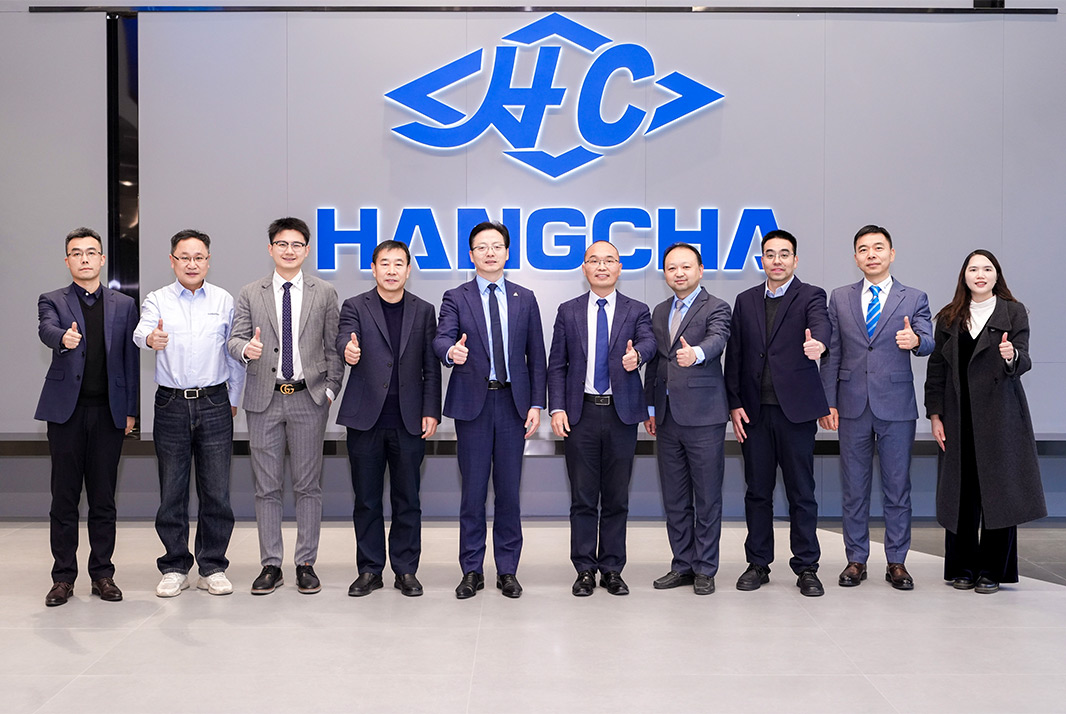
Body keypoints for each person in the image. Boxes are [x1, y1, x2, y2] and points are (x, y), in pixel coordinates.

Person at [229, 217, 344, 596]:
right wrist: (246, 349)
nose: (289, 250)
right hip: (263, 400)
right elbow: (234, 340)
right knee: (266, 487)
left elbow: (334, 347)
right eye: (282, 244)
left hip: (309, 399)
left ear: (307, 250)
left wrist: (330, 391)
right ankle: (271, 565)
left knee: (308, 486)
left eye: (296, 244)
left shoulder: (324, 292)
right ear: (270, 249)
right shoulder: (251, 293)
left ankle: (306, 563)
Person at [433, 221, 546, 600]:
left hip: (513, 405)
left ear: (507, 252)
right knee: (473, 493)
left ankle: (508, 570)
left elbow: (537, 355)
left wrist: (536, 403)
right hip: (473, 407)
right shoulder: (456, 296)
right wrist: (451, 351)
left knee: (509, 494)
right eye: (482, 247)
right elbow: (442, 337)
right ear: (471, 255)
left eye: (496, 246)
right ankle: (472, 570)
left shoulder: (524, 298)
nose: (490, 252)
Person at [819, 225, 933, 590]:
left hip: (896, 406)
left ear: (892, 254)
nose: (871, 254)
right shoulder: (840, 297)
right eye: (864, 249)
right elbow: (833, 352)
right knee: (854, 488)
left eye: (878, 247)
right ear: (855, 258)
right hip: (851, 404)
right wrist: (828, 401)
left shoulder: (913, 297)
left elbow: (929, 340)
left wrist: (915, 340)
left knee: (897, 488)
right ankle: (856, 560)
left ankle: (897, 561)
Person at [925, 249, 1046, 594]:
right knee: (961, 492)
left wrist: (1012, 356)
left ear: (997, 275)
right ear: (964, 276)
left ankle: (993, 570)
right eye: (973, 269)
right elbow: (937, 369)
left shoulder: (1013, 311)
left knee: (998, 492)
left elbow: (1024, 359)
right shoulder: (949, 317)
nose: (980, 275)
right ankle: (962, 567)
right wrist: (935, 414)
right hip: (958, 416)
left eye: (987, 269)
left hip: (1000, 415)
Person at [134, 229, 245, 597]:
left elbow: (233, 353)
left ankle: (212, 566)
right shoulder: (157, 299)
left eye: (199, 257)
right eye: (184, 257)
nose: (192, 264)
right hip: (171, 404)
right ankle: (174, 566)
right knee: (173, 491)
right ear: (172, 261)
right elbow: (141, 332)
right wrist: (151, 339)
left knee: (216, 491)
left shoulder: (224, 300)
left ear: (208, 261)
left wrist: (233, 397)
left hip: (215, 401)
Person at [724, 229, 830, 597]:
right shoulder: (745, 300)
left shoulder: (811, 295)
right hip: (754, 413)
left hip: (795, 413)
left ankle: (807, 566)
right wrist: (734, 403)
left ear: (795, 260)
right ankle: (758, 563)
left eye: (784, 254)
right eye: (770, 254)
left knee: (802, 492)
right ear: (762, 260)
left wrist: (819, 344)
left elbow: (821, 326)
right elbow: (735, 355)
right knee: (757, 492)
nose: (777, 260)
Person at [36, 227, 138, 607]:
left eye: (91, 252)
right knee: (64, 498)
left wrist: (130, 410)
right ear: (67, 261)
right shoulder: (53, 299)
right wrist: (63, 338)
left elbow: (129, 360)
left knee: (103, 498)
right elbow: (46, 329)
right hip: (66, 414)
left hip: (108, 413)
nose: (84, 258)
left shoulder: (124, 304)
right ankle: (63, 578)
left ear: (102, 259)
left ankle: (102, 575)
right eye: (76, 253)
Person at [548, 240, 655, 597]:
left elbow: (649, 342)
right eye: (594, 260)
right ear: (584, 268)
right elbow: (557, 364)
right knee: (582, 497)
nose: (602, 266)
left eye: (609, 260)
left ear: (620, 267)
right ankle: (584, 569)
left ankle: (611, 568)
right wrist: (557, 408)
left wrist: (637, 356)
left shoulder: (637, 310)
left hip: (621, 415)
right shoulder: (568, 311)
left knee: (616, 497)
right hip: (580, 415)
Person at [336, 240, 441, 597]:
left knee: (407, 499)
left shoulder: (424, 310)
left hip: (409, 420)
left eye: (399, 264)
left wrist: (431, 410)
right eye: (385, 263)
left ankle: (406, 570)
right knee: (366, 499)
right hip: (365, 418)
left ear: (408, 270)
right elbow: (343, 339)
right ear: (374, 268)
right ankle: (369, 570)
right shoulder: (355, 305)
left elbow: (431, 367)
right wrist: (348, 350)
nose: (392, 270)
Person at [643, 242, 730, 596]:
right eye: (672, 268)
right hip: (666, 418)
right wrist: (650, 409)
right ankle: (682, 564)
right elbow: (656, 362)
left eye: (686, 267)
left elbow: (718, 339)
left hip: (704, 415)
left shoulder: (716, 307)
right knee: (675, 498)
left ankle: (705, 568)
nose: (679, 273)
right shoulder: (660, 310)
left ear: (700, 269)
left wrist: (696, 353)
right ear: (665, 273)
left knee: (707, 497)